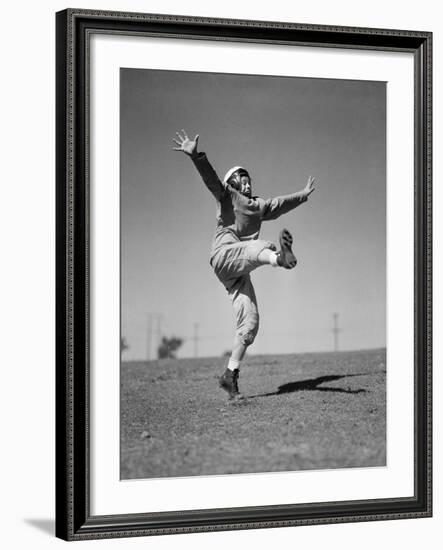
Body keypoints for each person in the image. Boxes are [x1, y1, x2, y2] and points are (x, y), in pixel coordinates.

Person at [172, 129, 315, 400]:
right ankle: (279, 258)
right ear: (234, 182)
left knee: (250, 323)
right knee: (260, 248)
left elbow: (281, 203)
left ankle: (229, 376)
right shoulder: (227, 196)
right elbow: (211, 179)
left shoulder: (259, 205)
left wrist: (303, 195)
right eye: (243, 179)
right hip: (225, 254)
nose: (247, 183)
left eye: (249, 179)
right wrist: (196, 157)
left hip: (239, 270)